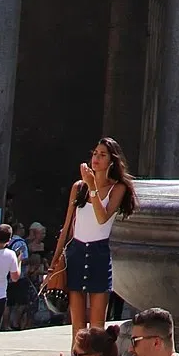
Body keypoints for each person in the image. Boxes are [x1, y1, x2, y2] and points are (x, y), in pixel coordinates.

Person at [60, 140, 137, 332]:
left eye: (103, 155)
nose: (96, 158)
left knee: (96, 327)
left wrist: (92, 186)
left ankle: (97, 353)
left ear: (111, 161)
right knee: (77, 327)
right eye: (95, 153)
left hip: (99, 253)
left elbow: (102, 218)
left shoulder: (118, 188)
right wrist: (56, 261)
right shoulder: (79, 187)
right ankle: (76, 352)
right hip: (76, 252)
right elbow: (68, 226)